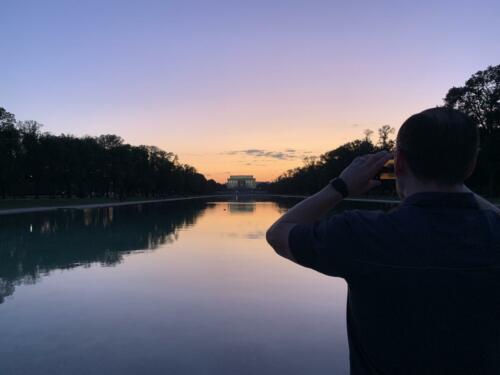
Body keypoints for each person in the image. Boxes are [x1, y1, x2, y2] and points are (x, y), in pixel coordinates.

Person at [266, 107, 500, 375]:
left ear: (398, 163)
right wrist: (455, 182)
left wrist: (342, 185)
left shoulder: (362, 233)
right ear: (471, 165)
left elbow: (279, 234)